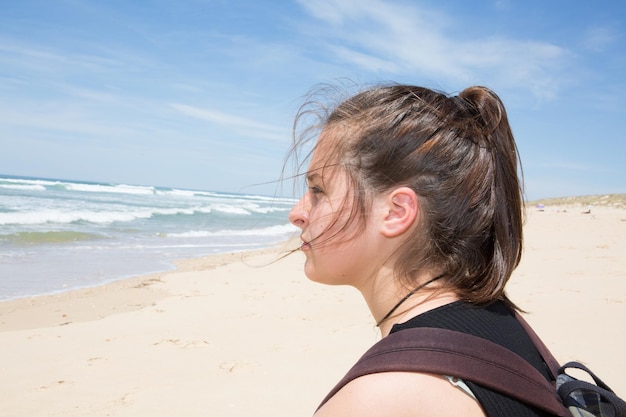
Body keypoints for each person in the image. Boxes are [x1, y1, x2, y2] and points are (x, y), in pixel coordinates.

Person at [287, 83, 554, 417]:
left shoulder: (381, 399)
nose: (297, 213)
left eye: (318, 190)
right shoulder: (502, 325)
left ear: (397, 212)